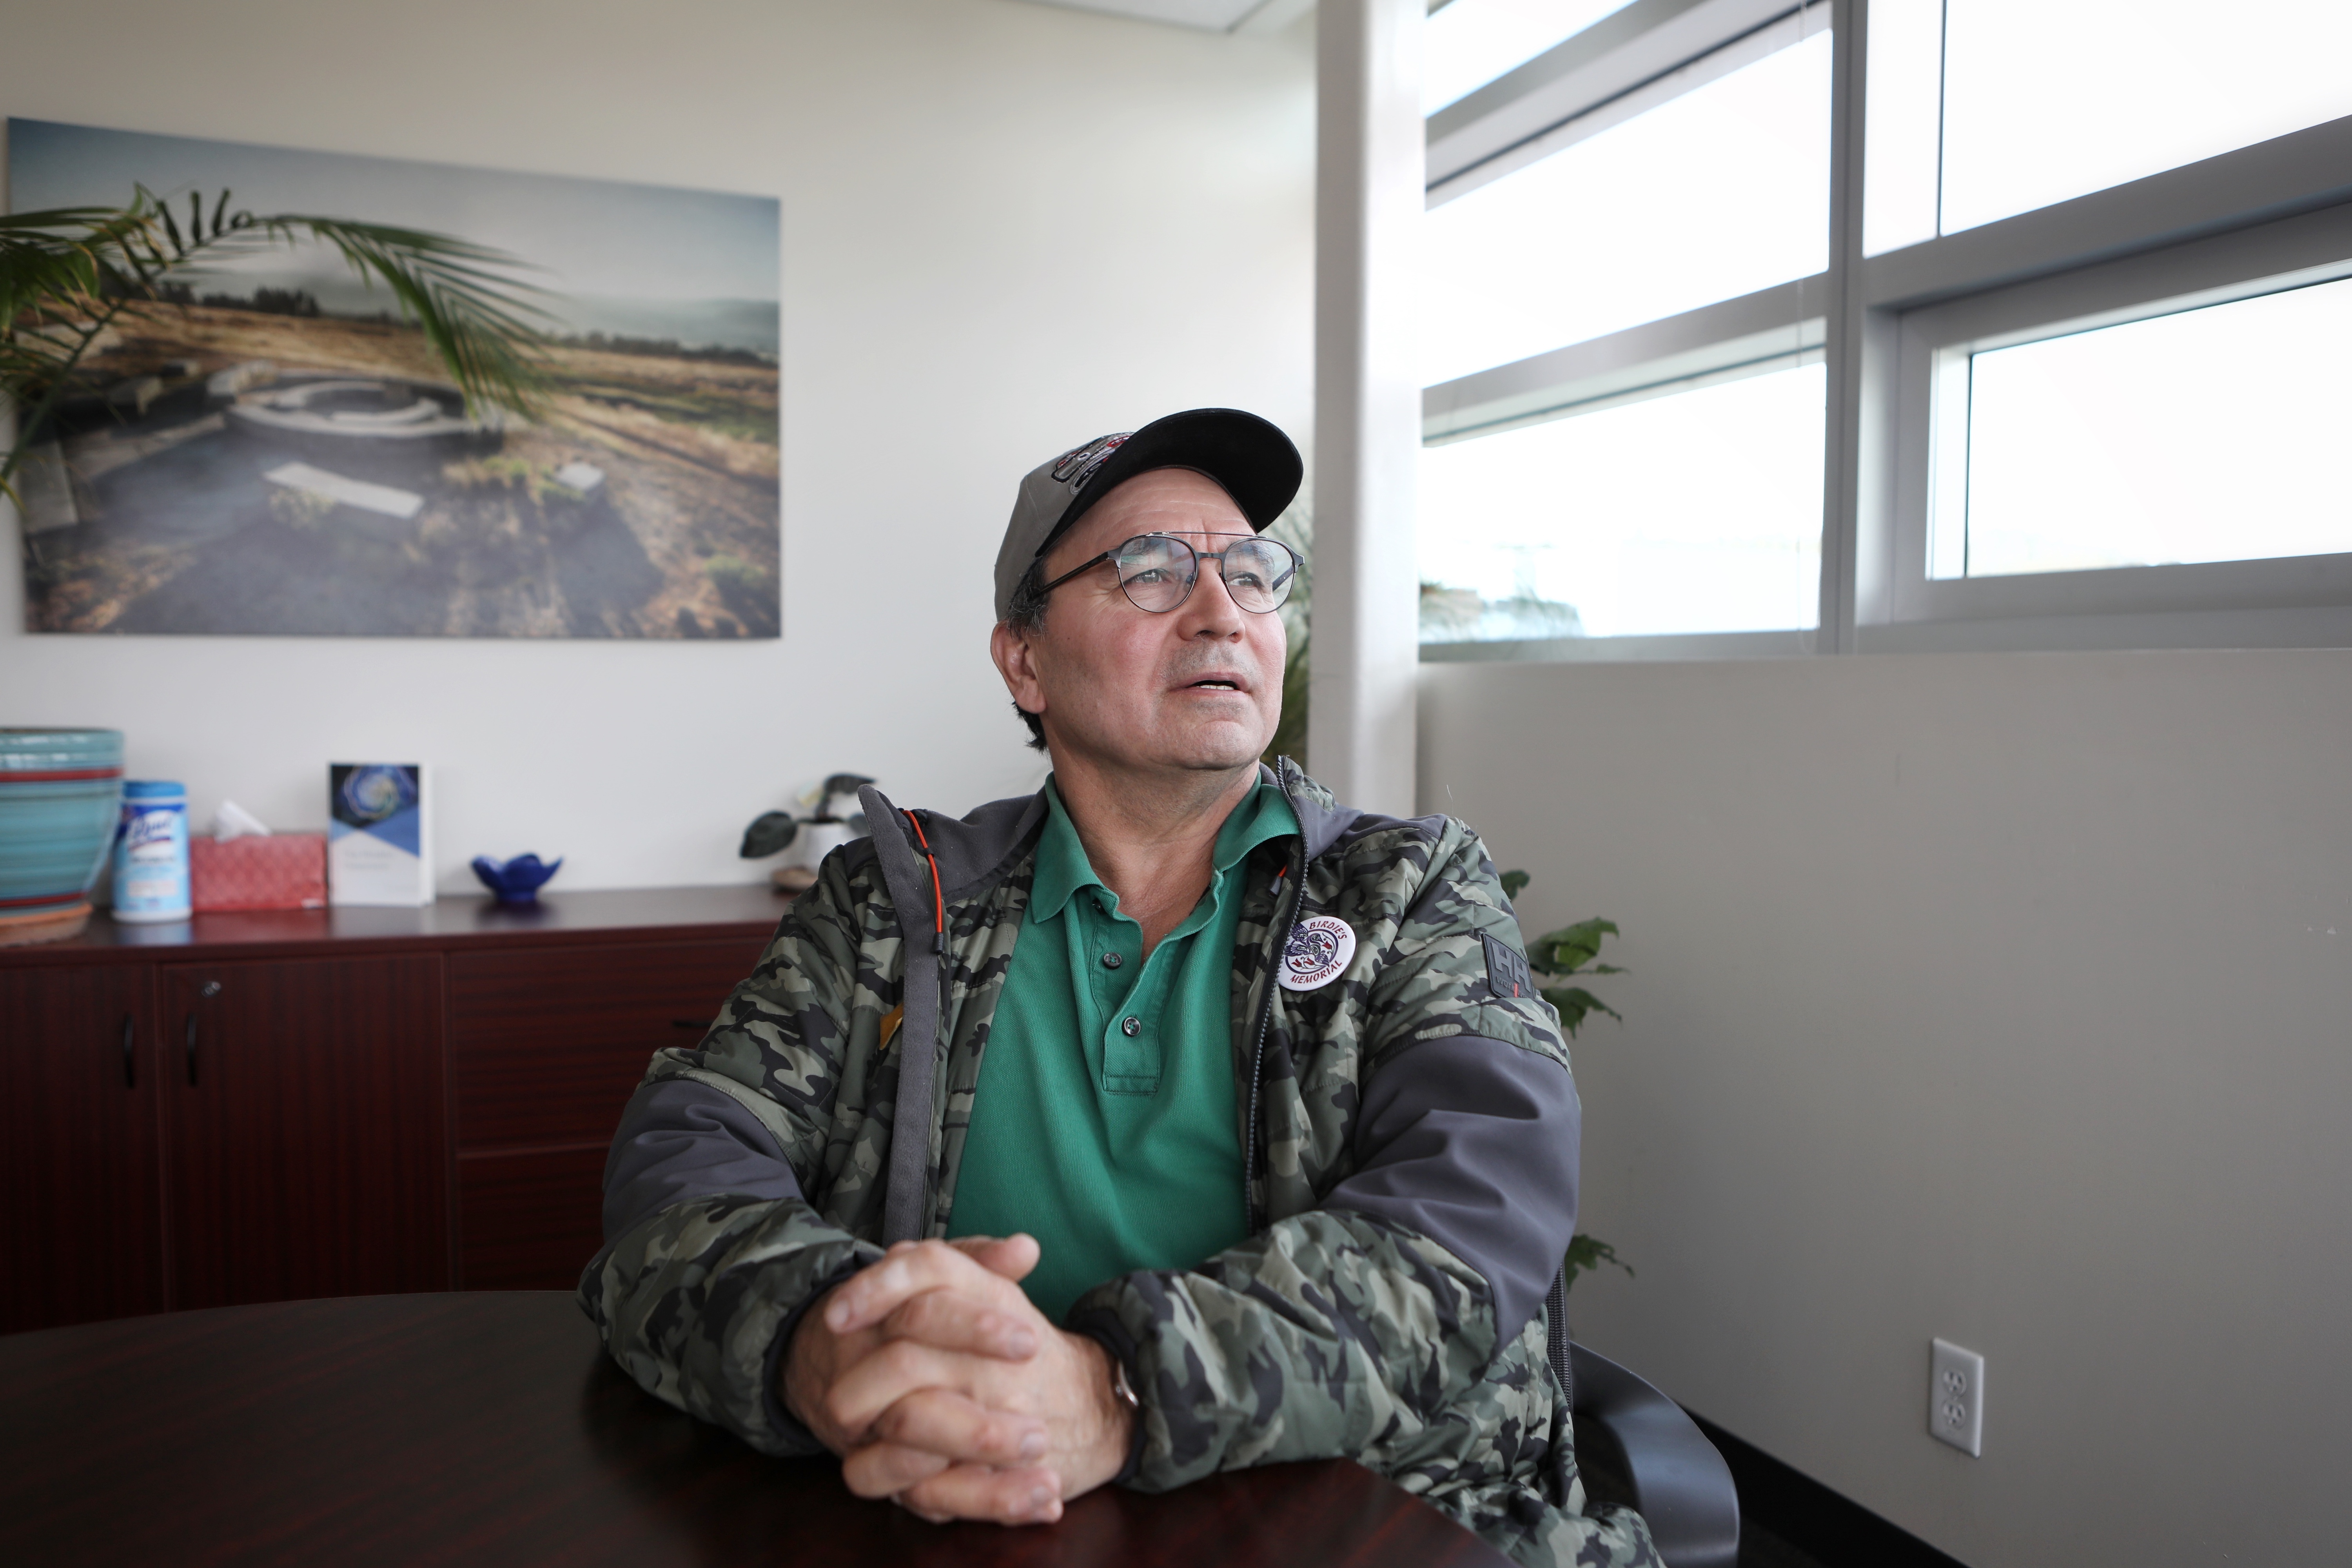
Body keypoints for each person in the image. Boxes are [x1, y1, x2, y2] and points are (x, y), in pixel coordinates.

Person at [580, 408, 1658, 1567]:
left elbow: (1470, 1220)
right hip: (973, 1521)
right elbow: (684, 1160)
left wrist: (1113, 1393)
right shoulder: (896, 910)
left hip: (1360, 1521)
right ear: (1025, 660)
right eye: (1149, 571)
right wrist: (816, 1337)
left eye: (1252, 572)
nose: (1222, 612)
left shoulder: (1403, 892)